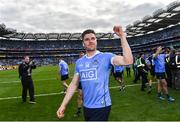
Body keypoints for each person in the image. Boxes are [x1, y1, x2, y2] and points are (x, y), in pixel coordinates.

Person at [56, 25, 133, 121]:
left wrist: (122, 36)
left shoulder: (106, 57)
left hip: (101, 106)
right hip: (87, 106)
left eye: (93, 38)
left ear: (96, 41)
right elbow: (73, 84)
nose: (90, 41)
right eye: (87, 39)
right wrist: (63, 105)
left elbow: (128, 60)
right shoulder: (80, 62)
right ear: (83, 43)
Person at [74, 51, 85, 117]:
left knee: (86, 96)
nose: (81, 56)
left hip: (87, 82)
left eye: (82, 55)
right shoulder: (78, 63)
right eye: (80, 55)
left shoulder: (88, 61)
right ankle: (79, 110)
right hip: (80, 82)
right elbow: (77, 73)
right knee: (79, 96)